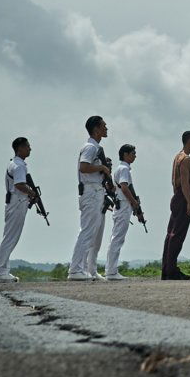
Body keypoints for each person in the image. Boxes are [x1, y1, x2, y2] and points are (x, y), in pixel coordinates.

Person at [69, 116, 113, 281]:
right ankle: (75, 269)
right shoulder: (90, 147)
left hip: (96, 191)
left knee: (91, 232)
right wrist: (102, 167)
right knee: (87, 231)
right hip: (90, 192)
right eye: (104, 126)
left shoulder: (95, 147)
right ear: (96, 129)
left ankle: (84, 269)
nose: (106, 128)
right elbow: (84, 167)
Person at [0, 137, 42, 282]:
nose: (30, 149)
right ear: (20, 148)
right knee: (10, 238)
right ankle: (1, 272)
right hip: (17, 201)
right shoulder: (19, 165)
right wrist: (33, 193)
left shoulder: (15, 163)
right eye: (27, 146)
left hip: (15, 201)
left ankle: (4, 270)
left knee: (10, 237)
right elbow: (20, 184)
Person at [103, 144, 142, 281]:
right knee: (118, 238)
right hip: (124, 205)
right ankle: (111, 272)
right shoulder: (124, 169)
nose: (135, 156)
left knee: (115, 238)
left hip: (121, 205)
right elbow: (125, 188)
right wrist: (134, 202)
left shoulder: (121, 168)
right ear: (125, 154)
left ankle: (110, 270)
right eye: (133, 153)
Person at [162, 130, 190, 280]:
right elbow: (184, 183)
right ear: (189, 140)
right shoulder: (186, 159)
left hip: (177, 196)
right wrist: (189, 202)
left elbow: (174, 181)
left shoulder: (177, 157)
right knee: (177, 235)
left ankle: (167, 269)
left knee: (171, 233)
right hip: (183, 197)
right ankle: (171, 270)